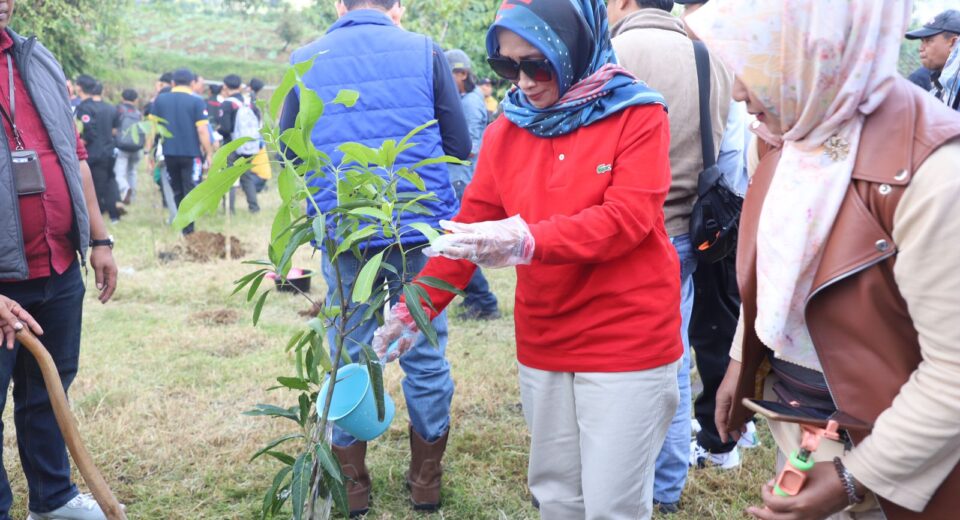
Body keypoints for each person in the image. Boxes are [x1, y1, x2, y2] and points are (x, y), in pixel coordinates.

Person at [376, 1, 681, 518]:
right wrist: (414, 307)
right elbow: (469, 230)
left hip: (626, 334)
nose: (523, 81)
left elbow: (627, 219)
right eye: (507, 65)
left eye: (538, 64)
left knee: (614, 504)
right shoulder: (507, 129)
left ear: (575, 48)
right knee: (556, 493)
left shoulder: (637, 114)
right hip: (545, 335)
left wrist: (528, 242)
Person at [687, 1, 960, 519]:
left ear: (816, 49)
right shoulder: (793, 138)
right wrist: (742, 361)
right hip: (802, 418)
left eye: (755, 66)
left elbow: (953, 371)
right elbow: (776, 272)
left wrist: (856, 477)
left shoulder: (934, 174)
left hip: (897, 453)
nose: (739, 92)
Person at [278, 0, 470, 515]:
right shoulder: (426, 51)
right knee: (424, 346)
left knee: (349, 347)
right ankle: (426, 481)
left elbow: (289, 150)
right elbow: (458, 142)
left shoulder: (306, 57)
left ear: (339, 4)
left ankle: (353, 485)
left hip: (345, 227)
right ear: (398, 7)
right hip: (417, 223)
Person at [606, 0, 741, 509]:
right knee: (673, 352)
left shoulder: (612, 52)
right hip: (689, 230)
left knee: (620, 360)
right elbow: (730, 157)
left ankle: (634, 476)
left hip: (625, 229)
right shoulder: (709, 58)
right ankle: (667, 481)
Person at [0, 1, 120, 517]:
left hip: (57, 266)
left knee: (49, 390)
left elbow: (74, 155)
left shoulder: (35, 58)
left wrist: (99, 239)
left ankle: (52, 500)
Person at [444, 49, 500, 321]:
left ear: (462, 74)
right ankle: (475, 297)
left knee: (459, 243)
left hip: (460, 178)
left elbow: (468, 148)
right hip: (460, 177)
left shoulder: (468, 104)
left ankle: (484, 301)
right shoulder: (468, 99)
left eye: (449, 75)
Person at [149, 67, 214, 235]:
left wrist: (149, 152)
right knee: (190, 189)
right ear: (192, 83)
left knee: (177, 190)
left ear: (172, 83)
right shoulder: (197, 101)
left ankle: (184, 226)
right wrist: (209, 152)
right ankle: (189, 229)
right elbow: (202, 130)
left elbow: (152, 129)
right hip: (191, 154)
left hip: (169, 153)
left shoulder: (160, 100)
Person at [76, 80, 121, 223]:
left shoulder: (85, 108)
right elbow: (115, 131)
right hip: (108, 151)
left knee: (93, 185)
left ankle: (98, 213)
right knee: (109, 180)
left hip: (92, 152)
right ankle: (113, 214)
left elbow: (88, 131)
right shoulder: (111, 108)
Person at [219, 73, 262, 213]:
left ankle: (229, 209)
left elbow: (225, 128)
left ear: (225, 86)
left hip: (231, 146)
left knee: (229, 177)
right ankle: (254, 207)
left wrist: (218, 131)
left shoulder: (227, 103)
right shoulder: (248, 102)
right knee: (246, 176)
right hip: (248, 146)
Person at [905, 9, 960, 104]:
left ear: (953, 43)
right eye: (922, 41)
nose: (921, 48)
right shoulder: (939, 85)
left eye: (929, 40)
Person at [114, 88, 145, 205]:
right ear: (136, 100)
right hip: (136, 147)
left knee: (119, 174)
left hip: (122, 147)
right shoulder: (138, 113)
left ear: (122, 98)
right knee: (132, 172)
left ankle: (125, 188)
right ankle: (132, 197)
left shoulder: (119, 110)